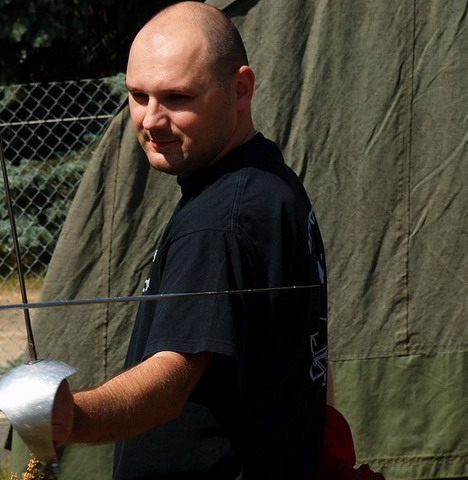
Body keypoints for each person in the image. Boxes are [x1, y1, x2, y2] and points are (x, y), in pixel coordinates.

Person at [51, 2, 329, 479]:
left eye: (177, 97)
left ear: (240, 89)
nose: (151, 120)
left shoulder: (222, 221)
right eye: (138, 95)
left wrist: (69, 417)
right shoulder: (268, 182)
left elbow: (168, 382)